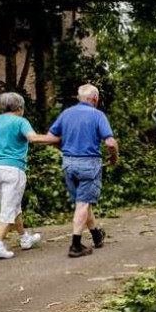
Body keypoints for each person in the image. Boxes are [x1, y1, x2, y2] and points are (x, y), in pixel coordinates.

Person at [0, 92, 59, 259]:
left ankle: (24, 238)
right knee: (8, 207)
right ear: (20, 108)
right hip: (13, 169)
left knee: (12, 204)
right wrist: (55, 139)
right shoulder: (20, 121)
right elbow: (33, 139)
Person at [47, 83, 119, 258]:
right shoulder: (97, 115)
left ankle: (96, 235)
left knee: (83, 202)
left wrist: (63, 148)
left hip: (69, 164)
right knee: (83, 204)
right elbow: (110, 143)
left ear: (80, 98)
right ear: (95, 99)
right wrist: (113, 158)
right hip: (89, 164)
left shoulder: (66, 114)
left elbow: (51, 138)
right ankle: (75, 245)